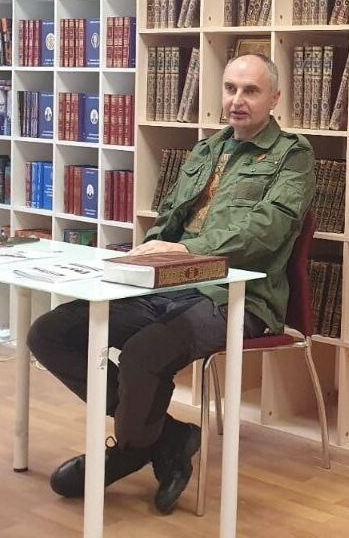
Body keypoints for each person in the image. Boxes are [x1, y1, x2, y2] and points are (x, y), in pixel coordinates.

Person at [27, 53, 315, 514]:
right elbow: (169, 219)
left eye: (251, 91)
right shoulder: (206, 150)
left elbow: (268, 230)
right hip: (168, 284)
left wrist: (187, 250)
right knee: (52, 331)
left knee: (145, 352)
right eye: (230, 88)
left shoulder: (293, 156)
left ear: (275, 98)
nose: (237, 100)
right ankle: (166, 437)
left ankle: (129, 450)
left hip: (238, 297)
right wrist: (143, 258)